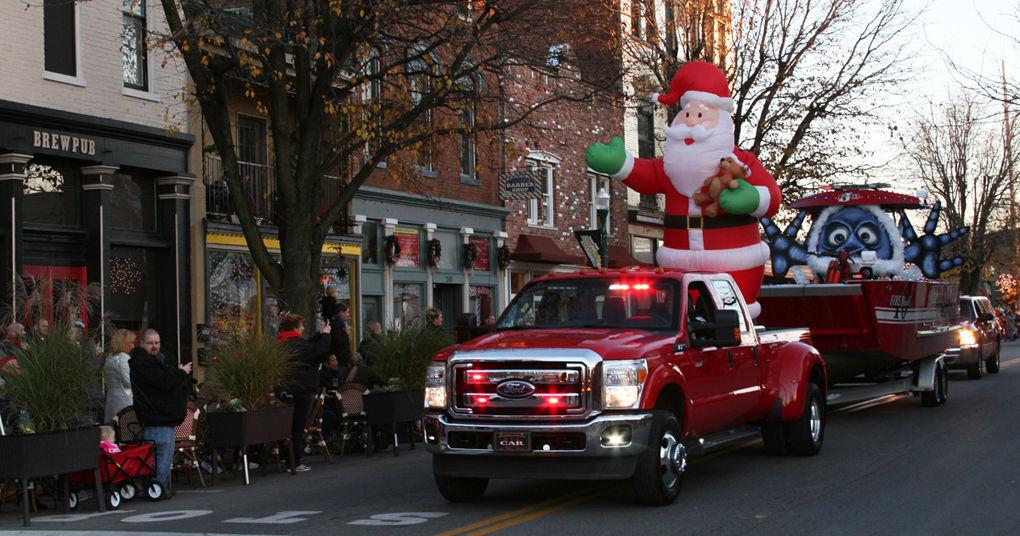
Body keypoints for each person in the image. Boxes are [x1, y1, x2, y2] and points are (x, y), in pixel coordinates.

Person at [129, 329, 191, 493]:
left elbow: (164, 380)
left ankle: (157, 485)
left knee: (163, 455)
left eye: (157, 342)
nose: (154, 346)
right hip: (157, 417)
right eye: (150, 343)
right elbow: (163, 382)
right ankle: (156, 486)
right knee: (161, 455)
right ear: (142, 344)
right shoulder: (143, 363)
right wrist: (181, 373)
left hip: (161, 417)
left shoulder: (153, 362)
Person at [277, 314, 331, 473]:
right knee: (297, 426)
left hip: (286, 390)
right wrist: (325, 336)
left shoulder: (282, 343)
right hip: (301, 389)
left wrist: (318, 336)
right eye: (301, 325)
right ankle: (294, 460)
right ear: (295, 327)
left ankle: (287, 457)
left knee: (286, 425)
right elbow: (315, 352)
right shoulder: (296, 344)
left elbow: (308, 347)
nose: (303, 328)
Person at [104, 329, 136, 424]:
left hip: (111, 400)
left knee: (109, 432)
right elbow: (128, 381)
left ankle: (107, 440)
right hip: (125, 402)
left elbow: (106, 381)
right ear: (124, 343)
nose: (133, 346)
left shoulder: (109, 358)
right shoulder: (124, 358)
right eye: (131, 343)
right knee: (126, 433)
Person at [329, 301, 352, 367]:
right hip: (339, 360)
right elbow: (339, 343)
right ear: (341, 313)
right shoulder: (337, 325)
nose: (348, 315)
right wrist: (347, 334)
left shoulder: (335, 323)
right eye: (347, 312)